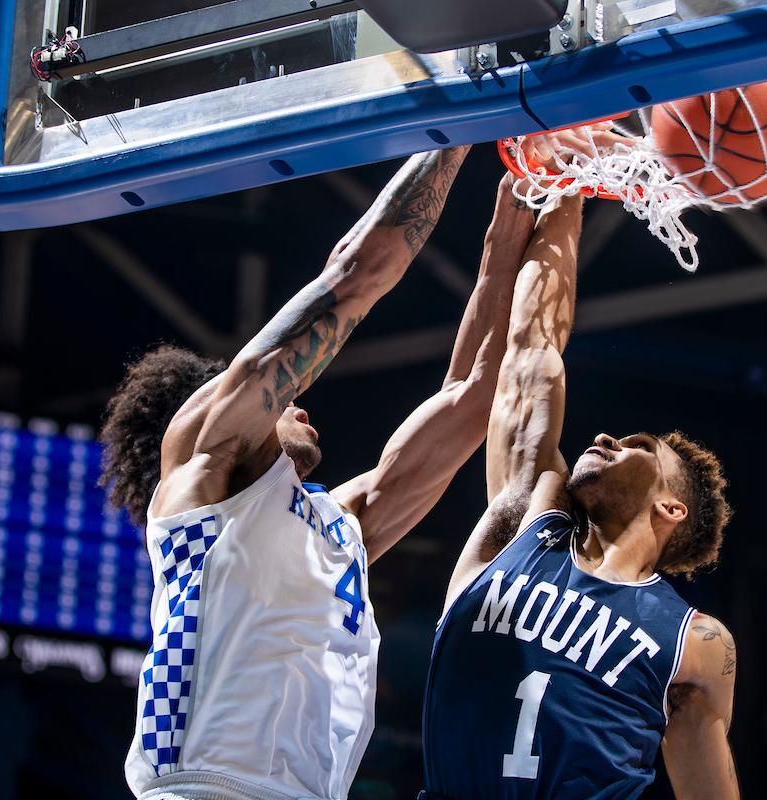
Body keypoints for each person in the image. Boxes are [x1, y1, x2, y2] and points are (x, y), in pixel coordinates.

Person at [99, 147, 539, 800]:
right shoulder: (201, 463)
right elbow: (356, 275)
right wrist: (460, 130)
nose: (296, 400)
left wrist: (521, 216)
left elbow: (476, 394)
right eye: (275, 400)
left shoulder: (343, 525)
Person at [421, 189, 740, 799]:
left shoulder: (696, 640)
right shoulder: (528, 524)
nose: (606, 438)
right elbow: (532, 351)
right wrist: (563, 182)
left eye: (637, 446)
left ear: (670, 508)